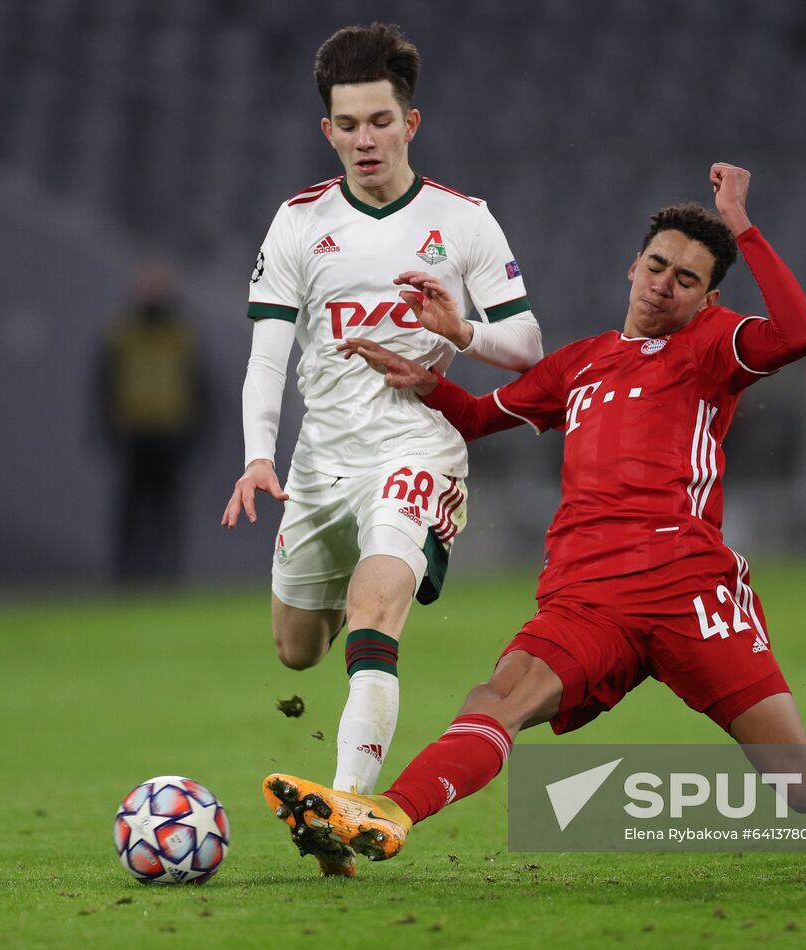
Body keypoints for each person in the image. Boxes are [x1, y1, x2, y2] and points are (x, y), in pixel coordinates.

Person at [262, 163, 806, 872]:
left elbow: (800, 335)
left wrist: (741, 225)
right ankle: (386, 813)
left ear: (708, 300)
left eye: (687, 279)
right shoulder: (581, 363)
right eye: (656, 265)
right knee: (496, 699)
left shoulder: (712, 348)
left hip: (688, 590)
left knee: (800, 780)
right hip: (587, 597)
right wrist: (430, 377)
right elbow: (479, 416)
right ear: (633, 266)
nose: (664, 285)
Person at [222, 23, 543, 874]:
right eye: (348, 124)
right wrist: (260, 455)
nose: (365, 138)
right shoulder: (298, 224)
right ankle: (343, 779)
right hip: (320, 463)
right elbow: (267, 352)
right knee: (299, 645)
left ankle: (343, 809)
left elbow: (529, 345)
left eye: (380, 121)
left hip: (417, 447)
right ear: (327, 130)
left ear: (412, 123)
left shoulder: (461, 221)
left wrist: (460, 329)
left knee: (376, 609)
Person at [98, 262, 206, 584]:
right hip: (134, 434)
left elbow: (199, 390)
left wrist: (192, 437)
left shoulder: (181, 335)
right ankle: (126, 577)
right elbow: (105, 386)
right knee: (131, 513)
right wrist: (111, 433)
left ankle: (167, 577)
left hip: (170, 435)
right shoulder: (122, 333)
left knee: (167, 513)